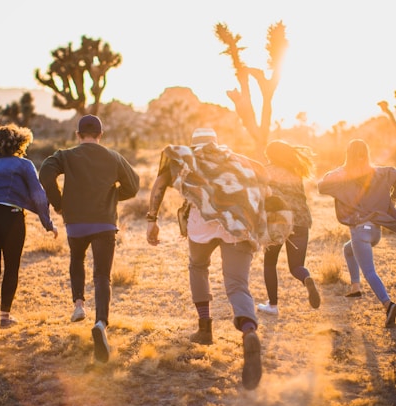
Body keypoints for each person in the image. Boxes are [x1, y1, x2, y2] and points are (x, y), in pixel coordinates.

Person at [146, 128, 269, 390]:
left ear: (194, 144)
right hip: (237, 224)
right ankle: (248, 329)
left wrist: (151, 219)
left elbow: (159, 184)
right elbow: (262, 176)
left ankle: (205, 329)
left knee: (198, 267)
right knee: (237, 283)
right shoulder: (236, 160)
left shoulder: (187, 159)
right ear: (216, 142)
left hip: (201, 225)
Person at [39, 114, 140, 363]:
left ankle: (78, 306)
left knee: (77, 260)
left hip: (76, 223)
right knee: (102, 275)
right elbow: (134, 185)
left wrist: (59, 202)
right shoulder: (113, 157)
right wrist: (114, 195)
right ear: (100, 135)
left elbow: (45, 174)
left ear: (78, 135)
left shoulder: (65, 155)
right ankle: (101, 323)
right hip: (104, 222)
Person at [0, 124, 58, 328]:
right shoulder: (24, 165)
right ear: (20, 143)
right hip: (11, 215)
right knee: (11, 268)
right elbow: (37, 194)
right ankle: (4, 317)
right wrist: (48, 223)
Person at [318, 139, 396, 328]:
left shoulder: (343, 174)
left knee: (369, 271)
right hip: (375, 231)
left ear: (348, 155)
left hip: (360, 230)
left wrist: (341, 170)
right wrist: (390, 197)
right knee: (348, 250)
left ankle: (389, 305)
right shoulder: (379, 172)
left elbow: (322, 184)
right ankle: (355, 288)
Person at [257, 140, 321, 315]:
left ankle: (273, 305)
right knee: (296, 266)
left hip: (278, 221)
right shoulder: (295, 172)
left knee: (270, 263)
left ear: (270, 155)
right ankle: (306, 277)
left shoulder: (267, 171)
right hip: (301, 220)